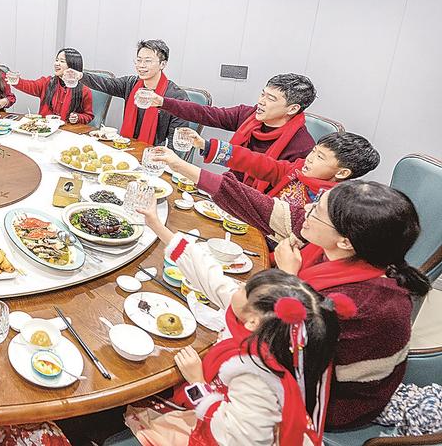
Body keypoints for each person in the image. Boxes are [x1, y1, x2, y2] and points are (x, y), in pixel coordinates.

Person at [152, 148, 432, 428]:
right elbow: (264, 208)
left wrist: (288, 278)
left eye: (317, 211)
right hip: (293, 356)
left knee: (167, 375)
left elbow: (282, 343)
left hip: (323, 402)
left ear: (346, 241)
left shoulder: (357, 303)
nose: (305, 210)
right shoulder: (347, 252)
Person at [123, 224, 344, 446]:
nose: (239, 284)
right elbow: (211, 277)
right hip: (231, 407)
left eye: (244, 288)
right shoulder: (267, 328)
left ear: (253, 321)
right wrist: (157, 225)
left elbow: (235, 439)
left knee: (143, 412)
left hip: (224, 431)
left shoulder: (257, 378)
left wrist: (198, 382)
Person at [145, 73, 317, 187]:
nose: (261, 101)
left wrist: (206, 146)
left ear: (292, 109)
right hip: (228, 187)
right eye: (262, 94)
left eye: (270, 99)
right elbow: (206, 113)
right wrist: (162, 102)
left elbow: (271, 174)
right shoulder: (248, 115)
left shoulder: (301, 147)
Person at [190, 128, 379, 207]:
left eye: (320, 157)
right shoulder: (297, 169)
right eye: (313, 152)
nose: (309, 159)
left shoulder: (332, 202)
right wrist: (207, 146)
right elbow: (258, 163)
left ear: (342, 173)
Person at [80, 39, 190, 146]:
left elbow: (176, 141)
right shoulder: (131, 83)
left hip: (154, 154)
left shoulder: (177, 97)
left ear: (163, 64)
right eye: (139, 60)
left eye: (148, 61)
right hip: (125, 147)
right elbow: (105, 83)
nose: (141, 65)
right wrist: (80, 76)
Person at [7, 47, 94, 125]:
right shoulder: (47, 82)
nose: (57, 64)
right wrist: (17, 81)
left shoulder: (84, 90)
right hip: (45, 129)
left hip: (68, 131)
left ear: (73, 66)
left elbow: (88, 116)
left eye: (62, 61)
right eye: (57, 60)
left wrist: (78, 117)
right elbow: (30, 85)